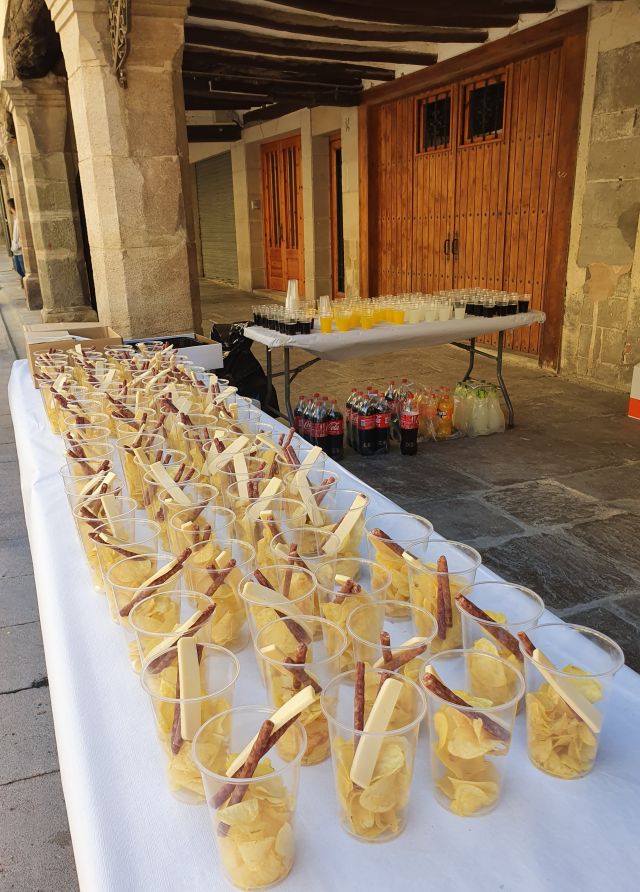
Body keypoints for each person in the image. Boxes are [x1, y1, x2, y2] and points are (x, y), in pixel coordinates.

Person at [8, 198, 25, 284]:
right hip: (16, 249)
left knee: (22, 270)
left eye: (9, 206)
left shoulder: (19, 219)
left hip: (20, 249)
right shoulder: (15, 218)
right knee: (18, 269)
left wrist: (18, 245)